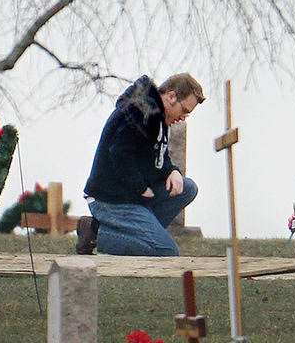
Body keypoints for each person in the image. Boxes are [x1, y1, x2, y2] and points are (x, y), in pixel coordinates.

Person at [78, 73, 205, 256]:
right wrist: (141, 188)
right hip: (111, 199)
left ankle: (143, 234)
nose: (183, 118)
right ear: (170, 97)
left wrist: (172, 171)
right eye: (184, 110)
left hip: (131, 197)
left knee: (188, 188)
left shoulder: (159, 118)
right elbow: (119, 153)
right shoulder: (142, 110)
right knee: (167, 251)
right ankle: (95, 233)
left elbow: (159, 156)